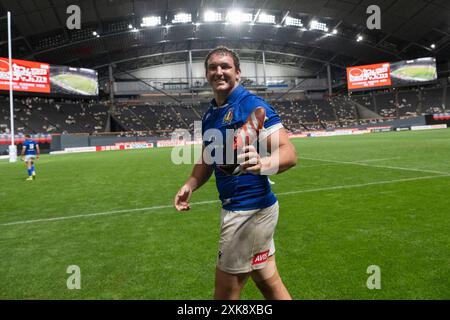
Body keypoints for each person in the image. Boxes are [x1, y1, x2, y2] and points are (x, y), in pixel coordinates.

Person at [174, 46, 297, 300]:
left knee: (225, 294)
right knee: (267, 281)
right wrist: (190, 184)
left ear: (237, 73)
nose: (219, 72)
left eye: (225, 66)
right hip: (242, 209)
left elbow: (289, 153)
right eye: (213, 67)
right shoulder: (210, 114)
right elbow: (208, 159)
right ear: (206, 75)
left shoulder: (252, 106)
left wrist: (262, 163)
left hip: (248, 212)